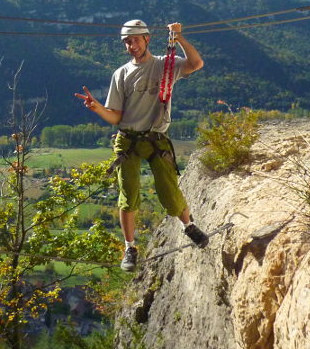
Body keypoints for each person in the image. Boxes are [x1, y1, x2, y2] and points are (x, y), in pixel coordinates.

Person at [75, 19, 209, 271]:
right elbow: (116, 115)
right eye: (126, 41)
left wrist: (178, 38)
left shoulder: (166, 65)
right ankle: (129, 248)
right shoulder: (121, 74)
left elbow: (196, 64)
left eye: (135, 40)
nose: (131, 45)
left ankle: (188, 226)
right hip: (128, 139)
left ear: (147, 39)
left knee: (169, 191)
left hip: (156, 138)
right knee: (129, 196)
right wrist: (97, 108)